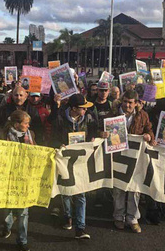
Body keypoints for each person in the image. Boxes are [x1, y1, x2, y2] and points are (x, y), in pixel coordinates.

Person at [106, 90, 155, 233]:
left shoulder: (142, 115)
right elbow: (100, 129)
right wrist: (102, 133)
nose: (127, 105)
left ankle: (133, 218)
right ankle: (118, 216)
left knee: (135, 188)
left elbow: (150, 130)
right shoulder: (113, 114)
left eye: (130, 102)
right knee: (119, 188)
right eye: (125, 101)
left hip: (135, 157)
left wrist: (148, 136)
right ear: (122, 100)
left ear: (136, 103)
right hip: (118, 156)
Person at [50, 94, 98, 239]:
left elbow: (95, 130)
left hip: (81, 160)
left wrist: (94, 137)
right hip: (65, 160)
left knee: (81, 192)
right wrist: (59, 144)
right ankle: (67, 216)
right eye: (83, 108)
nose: (85, 110)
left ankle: (80, 227)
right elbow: (52, 136)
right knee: (66, 192)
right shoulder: (59, 118)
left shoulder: (89, 118)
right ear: (74, 109)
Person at [0, 110, 34, 251]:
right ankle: (7, 225)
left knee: (23, 211)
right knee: (8, 206)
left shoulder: (30, 135)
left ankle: (22, 240)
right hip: (8, 177)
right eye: (25, 123)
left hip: (24, 177)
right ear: (16, 124)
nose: (27, 126)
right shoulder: (3, 136)